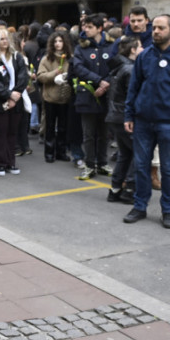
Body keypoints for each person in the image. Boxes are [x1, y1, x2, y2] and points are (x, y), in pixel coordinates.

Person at [123, 14, 170, 229]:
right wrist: (129, 115)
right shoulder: (144, 55)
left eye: (160, 28)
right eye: (154, 28)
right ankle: (139, 206)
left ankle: (168, 210)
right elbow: (134, 88)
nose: (155, 32)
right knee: (141, 166)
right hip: (143, 121)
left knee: (168, 169)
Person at [0, 28, 29, 176]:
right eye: (2, 39)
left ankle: (11, 162)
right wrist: (8, 96)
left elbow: (23, 77)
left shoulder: (17, 57)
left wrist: (15, 95)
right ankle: (0, 163)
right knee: (0, 133)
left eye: (7, 38)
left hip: (16, 101)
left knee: (12, 133)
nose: (5, 41)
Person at [74, 14, 114, 180]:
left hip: (106, 96)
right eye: (85, 26)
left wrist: (106, 83)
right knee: (88, 134)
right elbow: (78, 67)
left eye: (90, 27)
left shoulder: (111, 46)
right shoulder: (81, 48)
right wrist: (98, 81)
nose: (86, 30)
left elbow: (117, 66)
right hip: (87, 97)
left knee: (104, 133)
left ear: (99, 28)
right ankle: (90, 165)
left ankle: (102, 162)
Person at [105, 36, 142, 203]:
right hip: (123, 117)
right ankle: (129, 189)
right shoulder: (130, 69)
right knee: (138, 153)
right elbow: (132, 96)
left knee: (125, 154)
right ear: (133, 50)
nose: (142, 50)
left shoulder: (119, 67)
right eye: (140, 47)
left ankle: (115, 188)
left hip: (115, 115)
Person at [37, 32, 73, 162]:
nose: (58, 43)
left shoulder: (70, 58)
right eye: (55, 41)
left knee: (63, 127)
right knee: (50, 126)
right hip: (50, 97)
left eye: (60, 41)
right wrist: (54, 74)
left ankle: (61, 151)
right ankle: (49, 152)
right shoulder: (46, 59)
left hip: (65, 97)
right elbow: (40, 76)